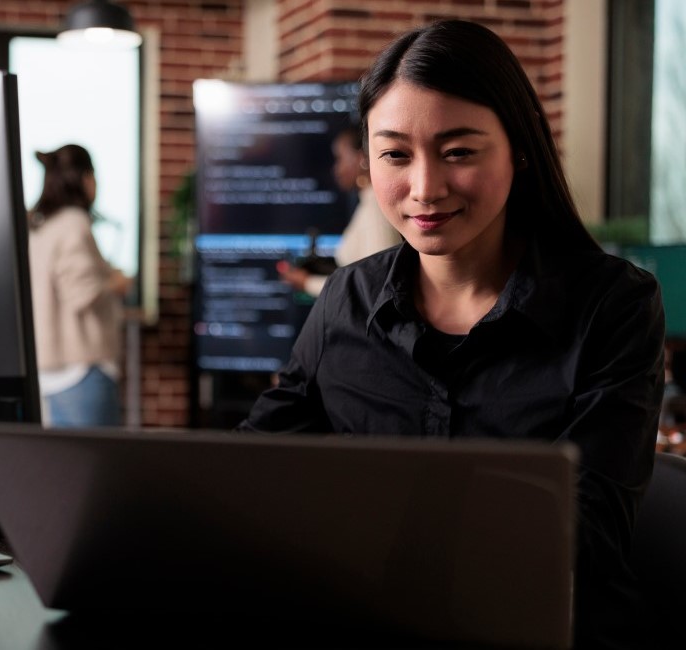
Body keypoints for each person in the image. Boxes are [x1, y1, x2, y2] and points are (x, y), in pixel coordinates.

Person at [239, 20, 664, 649]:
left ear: (518, 149)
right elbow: (248, 471)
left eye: (459, 151)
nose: (424, 188)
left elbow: (586, 534)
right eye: (395, 154)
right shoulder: (345, 301)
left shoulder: (613, 305)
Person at [27, 144, 129, 427]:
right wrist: (114, 282)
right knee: (98, 468)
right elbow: (80, 293)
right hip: (81, 370)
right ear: (85, 178)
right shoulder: (74, 223)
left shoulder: (40, 225)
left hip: (53, 372)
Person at [278, 124, 401, 296]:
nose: (336, 168)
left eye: (340, 158)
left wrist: (307, 283)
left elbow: (375, 286)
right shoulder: (369, 203)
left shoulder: (376, 209)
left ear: (362, 159)